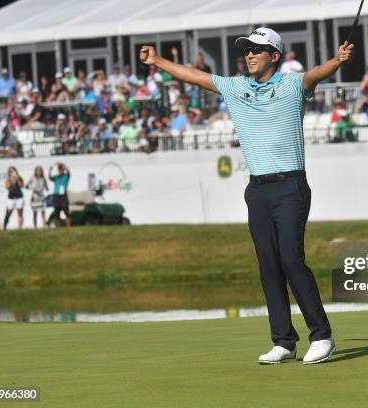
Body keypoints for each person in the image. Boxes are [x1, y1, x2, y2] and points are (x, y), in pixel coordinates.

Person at [139, 26, 354, 364]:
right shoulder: (236, 87)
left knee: (291, 260)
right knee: (268, 266)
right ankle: (284, 341)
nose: (250, 54)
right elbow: (195, 76)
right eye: (247, 49)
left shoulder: (292, 85)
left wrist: (338, 61)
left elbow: (315, 74)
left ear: (275, 56)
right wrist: (159, 61)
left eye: (257, 49)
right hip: (257, 190)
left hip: (290, 186)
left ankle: (322, 336)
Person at [49, 162, 71, 227]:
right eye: (59, 169)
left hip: (63, 196)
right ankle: (58, 227)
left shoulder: (66, 176)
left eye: (61, 169)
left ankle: (68, 227)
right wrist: (50, 170)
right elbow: (50, 178)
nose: (60, 170)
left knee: (66, 212)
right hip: (56, 196)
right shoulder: (56, 177)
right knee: (56, 213)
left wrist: (63, 165)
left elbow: (69, 172)